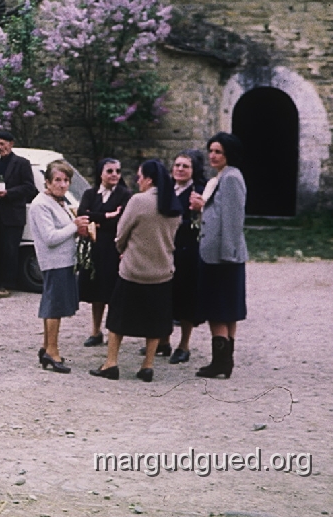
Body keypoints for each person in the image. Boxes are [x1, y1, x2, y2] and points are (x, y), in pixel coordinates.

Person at [90, 160, 181, 383]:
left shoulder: (138, 201)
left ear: (148, 179)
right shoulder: (173, 203)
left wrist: (123, 250)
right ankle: (147, 365)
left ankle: (111, 362)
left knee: (117, 318)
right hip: (161, 271)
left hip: (134, 270)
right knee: (155, 321)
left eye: (139, 177)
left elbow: (121, 233)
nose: (137, 181)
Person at [191, 132, 248, 379]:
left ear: (229, 154)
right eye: (211, 151)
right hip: (218, 254)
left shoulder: (231, 178)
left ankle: (221, 362)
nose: (213, 156)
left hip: (222, 257)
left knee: (218, 309)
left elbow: (233, 219)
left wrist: (228, 255)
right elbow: (217, 212)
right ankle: (225, 361)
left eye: (218, 152)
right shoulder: (221, 177)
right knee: (226, 309)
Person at [151, 150, 207, 364]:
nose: (180, 169)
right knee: (165, 294)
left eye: (185, 166)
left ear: (194, 170)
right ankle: (163, 341)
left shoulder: (198, 192)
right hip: (165, 248)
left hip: (188, 250)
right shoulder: (167, 189)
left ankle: (184, 345)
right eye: (177, 165)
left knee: (186, 297)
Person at [27, 160, 80, 374]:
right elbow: (50, 237)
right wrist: (75, 226)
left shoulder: (58, 202)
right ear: (47, 182)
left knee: (53, 305)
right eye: (57, 180)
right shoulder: (41, 204)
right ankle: (52, 351)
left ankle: (46, 347)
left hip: (64, 261)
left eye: (66, 180)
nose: (62, 184)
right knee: (55, 307)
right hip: (54, 262)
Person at [75, 158, 131, 347]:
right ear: (101, 173)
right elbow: (82, 214)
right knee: (96, 292)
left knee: (113, 292)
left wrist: (97, 221)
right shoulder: (90, 193)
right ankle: (95, 330)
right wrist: (107, 215)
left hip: (114, 248)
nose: (114, 174)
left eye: (117, 171)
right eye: (110, 171)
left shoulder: (125, 194)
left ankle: (112, 333)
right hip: (95, 248)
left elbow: (121, 220)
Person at [0, 130, 38, 298]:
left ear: (11, 144)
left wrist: (9, 193)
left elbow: (29, 187)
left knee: (10, 251)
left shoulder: (22, 163)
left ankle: (8, 285)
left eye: (2, 144)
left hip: (13, 216)